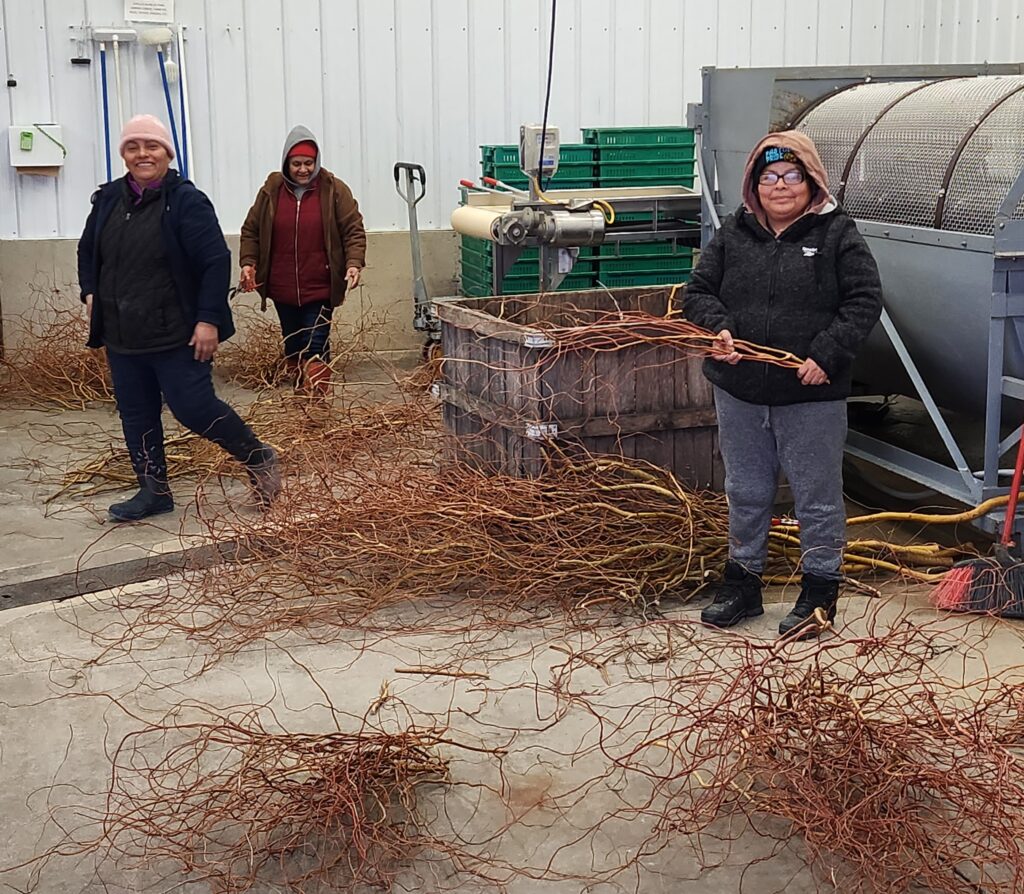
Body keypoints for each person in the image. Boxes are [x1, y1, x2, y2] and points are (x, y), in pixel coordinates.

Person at [684, 131, 883, 639]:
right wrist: (718, 330)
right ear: (754, 184)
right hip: (740, 390)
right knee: (746, 491)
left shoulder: (837, 233)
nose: (780, 186)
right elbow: (698, 292)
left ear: (812, 181)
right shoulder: (735, 232)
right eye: (769, 176)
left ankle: (820, 592)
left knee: (816, 496)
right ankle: (743, 584)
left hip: (810, 393)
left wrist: (826, 354)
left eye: (792, 175)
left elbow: (864, 300)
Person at [78, 114, 281, 522]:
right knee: (136, 414)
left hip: (176, 332)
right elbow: (87, 250)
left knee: (193, 408)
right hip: (122, 332)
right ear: (124, 155)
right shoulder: (108, 199)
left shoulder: (186, 201)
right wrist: (90, 292)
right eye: (133, 147)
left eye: (151, 146)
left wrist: (208, 319)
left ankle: (258, 456)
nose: (142, 154)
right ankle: (153, 491)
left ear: (167, 154)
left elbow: (214, 261)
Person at [238, 126, 366, 394]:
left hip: (321, 284)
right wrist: (248, 262)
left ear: (316, 162)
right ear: (286, 163)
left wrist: (354, 263)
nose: (303, 169)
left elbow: (353, 229)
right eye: (296, 164)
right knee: (293, 344)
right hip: (281, 285)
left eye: (309, 163)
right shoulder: (271, 191)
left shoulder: (334, 190)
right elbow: (251, 230)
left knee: (315, 345)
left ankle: (317, 401)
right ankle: (300, 394)